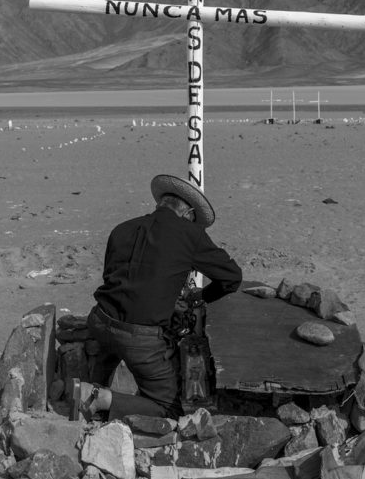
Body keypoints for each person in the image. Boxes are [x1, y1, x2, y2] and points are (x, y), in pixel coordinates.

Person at [71, 174, 242, 421]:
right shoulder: (190, 234)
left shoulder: (122, 228)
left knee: (112, 346)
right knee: (167, 408)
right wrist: (200, 296)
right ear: (188, 213)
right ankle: (99, 398)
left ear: (161, 203)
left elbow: (115, 278)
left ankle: (91, 391)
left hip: (100, 320)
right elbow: (232, 277)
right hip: (139, 338)